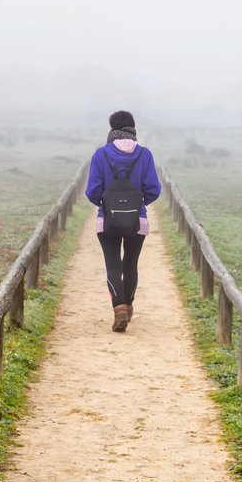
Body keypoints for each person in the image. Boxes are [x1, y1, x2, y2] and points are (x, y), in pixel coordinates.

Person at [84, 110, 161, 333]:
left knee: (113, 265)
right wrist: (138, 203)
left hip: (107, 221)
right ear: (132, 128)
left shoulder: (100, 155)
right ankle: (128, 304)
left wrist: (106, 203)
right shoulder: (145, 155)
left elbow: (92, 192)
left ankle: (119, 309)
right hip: (138, 221)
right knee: (130, 265)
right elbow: (154, 190)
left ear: (112, 129)